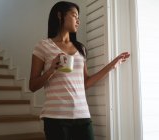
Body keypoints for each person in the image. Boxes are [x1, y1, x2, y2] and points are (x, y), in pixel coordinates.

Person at [29, 1, 130, 140]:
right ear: (60, 15)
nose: (78, 20)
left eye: (78, 17)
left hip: (82, 116)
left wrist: (112, 65)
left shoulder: (80, 49)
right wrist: (51, 70)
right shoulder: (43, 46)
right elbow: (33, 86)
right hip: (55, 118)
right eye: (74, 15)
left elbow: (85, 83)